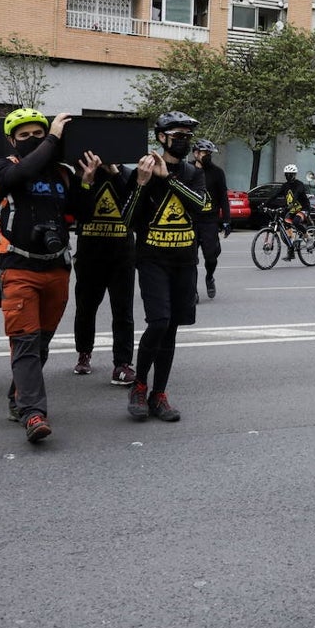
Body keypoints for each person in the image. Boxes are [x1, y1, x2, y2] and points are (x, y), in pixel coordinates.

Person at [0, 108, 84, 443]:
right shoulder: (3, 168)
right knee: (26, 342)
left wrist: (87, 180)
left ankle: (19, 394)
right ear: (12, 140)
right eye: (24, 135)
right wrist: (54, 138)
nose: (32, 140)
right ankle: (33, 414)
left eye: (38, 134)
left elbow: (79, 213)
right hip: (19, 268)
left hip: (57, 267)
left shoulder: (63, 174)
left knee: (40, 342)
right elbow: (20, 175)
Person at [121, 111, 207, 423]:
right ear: (161, 137)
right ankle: (139, 385)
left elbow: (199, 205)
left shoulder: (192, 172)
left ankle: (160, 394)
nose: (183, 140)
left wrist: (168, 179)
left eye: (187, 135)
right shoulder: (140, 170)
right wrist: (143, 184)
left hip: (184, 262)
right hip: (152, 260)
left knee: (171, 330)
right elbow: (128, 221)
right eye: (177, 135)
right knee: (158, 322)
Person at [70, 155, 137, 383]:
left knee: (123, 311)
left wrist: (115, 172)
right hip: (90, 254)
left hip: (122, 256)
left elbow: (132, 206)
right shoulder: (83, 173)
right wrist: (87, 180)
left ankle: (122, 364)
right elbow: (78, 213)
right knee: (85, 308)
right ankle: (84, 352)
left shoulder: (128, 174)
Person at [192, 139, 230, 299]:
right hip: (191, 221)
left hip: (210, 221)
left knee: (211, 256)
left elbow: (223, 197)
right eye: (204, 153)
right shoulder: (187, 170)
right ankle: (192, 290)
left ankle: (209, 277)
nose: (207, 156)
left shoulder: (217, 172)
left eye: (209, 153)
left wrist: (227, 220)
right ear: (196, 153)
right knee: (190, 259)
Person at [270, 164, 312, 261]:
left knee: (296, 221)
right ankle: (291, 250)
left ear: (294, 175)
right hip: (293, 209)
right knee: (286, 222)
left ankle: (308, 238)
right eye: (286, 174)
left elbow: (296, 194)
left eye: (290, 174)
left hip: (304, 208)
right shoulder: (285, 186)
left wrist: (289, 205)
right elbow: (275, 195)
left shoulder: (299, 184)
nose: (288, 176)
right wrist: (265, 204)